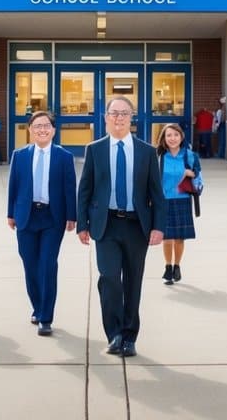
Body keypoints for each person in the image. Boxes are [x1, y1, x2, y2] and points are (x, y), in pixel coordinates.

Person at [76, 95, 166, 359]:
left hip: (137, 226)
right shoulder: (95, 149)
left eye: (124, 113)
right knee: (109, 278)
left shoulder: (147, 151)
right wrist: (82, 224)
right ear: (105, 118)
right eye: (114, 113)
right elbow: (85, 190)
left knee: (133, 282)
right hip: (106, 225)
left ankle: (129, 336)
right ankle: (113, 334)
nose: (119, 118)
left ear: (131, 118)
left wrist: (158, 227)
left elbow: (157, 194)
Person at [7, 110, 77, 336]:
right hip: (26, 216)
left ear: (53, 130)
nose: (42, 129)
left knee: (47, 264)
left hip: (52, 218)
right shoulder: (20, 155)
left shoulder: (64, 156)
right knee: (30, 264)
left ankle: (46, 317)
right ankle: (37, 307)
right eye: (37, 126)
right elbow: (13, 187)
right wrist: (10, 213)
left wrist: (72, 216)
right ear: (30, 130)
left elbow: (69, 189)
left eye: (46, 126)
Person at [155, 123, 200, 285]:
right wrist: (184, 174)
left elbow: (198, 179)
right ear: (164, 138)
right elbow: (153, 181)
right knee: (166, 238)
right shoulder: (158, 157)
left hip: (182, 201)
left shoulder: (190, 156)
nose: (172, 138)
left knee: (179, 239)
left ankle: (177, 266)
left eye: (175, 135)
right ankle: (168, 266)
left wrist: (194, 179)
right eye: (168, 135)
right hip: (164, 201)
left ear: (181, 137)